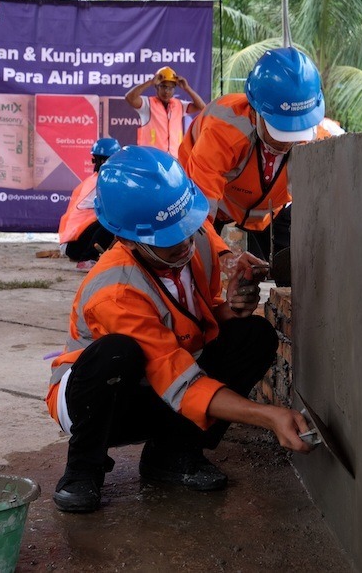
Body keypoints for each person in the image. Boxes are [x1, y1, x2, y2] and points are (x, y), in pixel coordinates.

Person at [44, 146, 312, 514]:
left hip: (160, 384)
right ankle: (83, 469)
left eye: (187, 228)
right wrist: (268, 416)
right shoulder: (115, 292)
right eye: (171, 240)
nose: (186, 243)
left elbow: (190, 324)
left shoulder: (188, 235)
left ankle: (173, 454)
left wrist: (230, 310)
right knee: (116, 353)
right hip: (104, 401)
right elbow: (178, 381)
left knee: (254, 335)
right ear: (129, 239)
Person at [178, 48, 329, 266]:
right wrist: (225, 258)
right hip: (209, 201)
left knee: (292, 268)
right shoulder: (223, 131)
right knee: (198, 267)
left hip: (268, 211)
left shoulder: (319, 141)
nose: (287, 143)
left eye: (297, 132)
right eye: (281, 131)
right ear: (256, 111)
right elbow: (197, 214)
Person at [58, 137, 121, 270]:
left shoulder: (96, 179)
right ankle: (87, 259)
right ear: (105, 161)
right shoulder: (100, 182)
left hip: (74, 242)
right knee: (114, 221)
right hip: (73, 245)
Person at [123, 66, 206, 153]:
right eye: (163, 86)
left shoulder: (179, 105)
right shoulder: (147, 104)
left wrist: (187, 88)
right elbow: (129, 97)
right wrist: (150, 82)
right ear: (157, 87)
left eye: (170, 88)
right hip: (151, 158)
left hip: (173, 159)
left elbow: (202, 106)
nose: (166, 91)